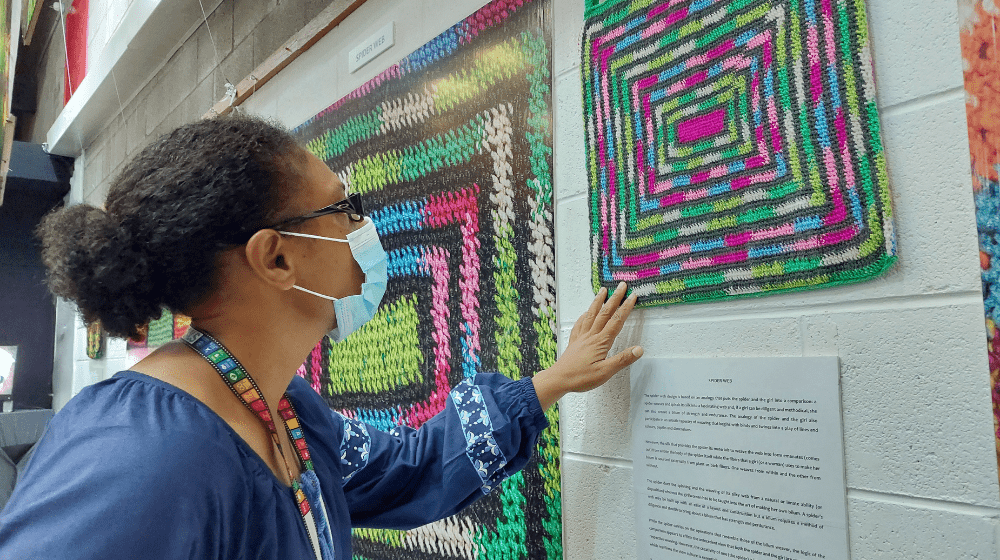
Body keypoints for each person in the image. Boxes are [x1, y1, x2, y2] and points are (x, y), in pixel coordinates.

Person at [0, 115, 643, 559]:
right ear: (276, 259)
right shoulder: (138, 460)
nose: (363, 228)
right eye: (344, 210)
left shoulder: (280, 406)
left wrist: (551, 383)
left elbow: (405, 470)